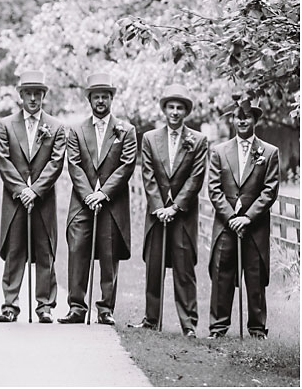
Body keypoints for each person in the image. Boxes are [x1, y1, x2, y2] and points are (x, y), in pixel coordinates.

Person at [59, 72, 136, 325]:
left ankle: (105, 308)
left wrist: (103, 193)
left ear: (111, 98)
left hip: (112, 203)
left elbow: (126, 166)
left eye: (105, 96)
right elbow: (75, 165)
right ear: (89, 99)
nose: (100, 101)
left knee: (108, 252)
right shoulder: (77, 130)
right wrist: (89, 195)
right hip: (83, 202)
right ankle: (76, 307)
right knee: (78, 249)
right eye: (96, 97)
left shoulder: (126, 130)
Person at [134, 84, 207, 337]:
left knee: (184, 270)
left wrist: (175, 208)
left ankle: (189, 324)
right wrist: (159, 208)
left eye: (180, 108)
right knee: (153, 268)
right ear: (164, 109)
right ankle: (151, 319)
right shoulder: (149, 138)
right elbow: (148, 175)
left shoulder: (198, 140)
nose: (175, 112)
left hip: (183, 216)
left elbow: (195, 178)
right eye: (171, 107)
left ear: (186, 112)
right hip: (157, 216)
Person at [0, 70, 66, 323]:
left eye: (38, 94)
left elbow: (56, 163)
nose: (33, 98)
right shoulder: (5, 125)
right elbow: (3, 160)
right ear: (21, 95)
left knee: (45, 251)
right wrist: (21, 190)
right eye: (29, 93)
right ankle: (10, 304)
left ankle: (44, 305)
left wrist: (35, 191)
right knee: (15, 252)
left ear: (44, 96)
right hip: (15, 201)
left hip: (43, 200)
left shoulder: (56, 127)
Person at [207, 95, 279, 339]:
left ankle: (257, 329)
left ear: (255, 119)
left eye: (247, 116)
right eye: (238, 117)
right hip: (226, 225)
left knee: (255, 277)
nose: (242, 121)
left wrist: (247, 217)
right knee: (222, 275)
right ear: (233, 120)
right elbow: (214, 189)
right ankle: (218, 327)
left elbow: (270, 191)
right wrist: (231, 218)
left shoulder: (269, 153)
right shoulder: (218, 152)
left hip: (254, 226)